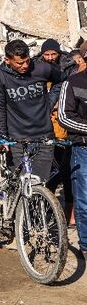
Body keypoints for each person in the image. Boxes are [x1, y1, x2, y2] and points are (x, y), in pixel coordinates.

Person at [0, 39, 62, 182]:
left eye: (27, 61)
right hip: (16, 136)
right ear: (7, 60)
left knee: (41, 182)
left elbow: (61, 80)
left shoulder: (42, 68)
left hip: (44, 134)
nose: (25, 66)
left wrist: (49, 102)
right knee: (20, 182)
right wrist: (1, 137)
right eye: (19, 63)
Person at [56, 46, 87, 257]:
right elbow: (64, 117)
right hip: (83, 149)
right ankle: (86, 245)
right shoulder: (73, 83)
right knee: (85, 199)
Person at [39, 39, 75, 221]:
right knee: (48, 168)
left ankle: (69, 211)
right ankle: (46, 207)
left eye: (54, 54)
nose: (50, 58)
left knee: (66, 168)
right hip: (42, 123)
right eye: (47, 54)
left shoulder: (67, 67)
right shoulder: (36, 68)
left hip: (63, 123)